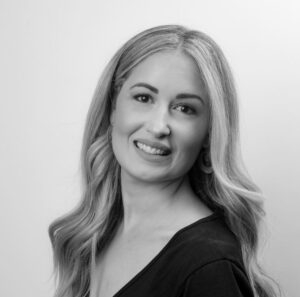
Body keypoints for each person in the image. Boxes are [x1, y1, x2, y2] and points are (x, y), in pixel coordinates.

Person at [49, 25, 280, 297]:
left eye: (185, 109)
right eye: (144, 98)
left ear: (209, 132)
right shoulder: (96, 234)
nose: (159, 126)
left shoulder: (209, 266)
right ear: (113, 107)